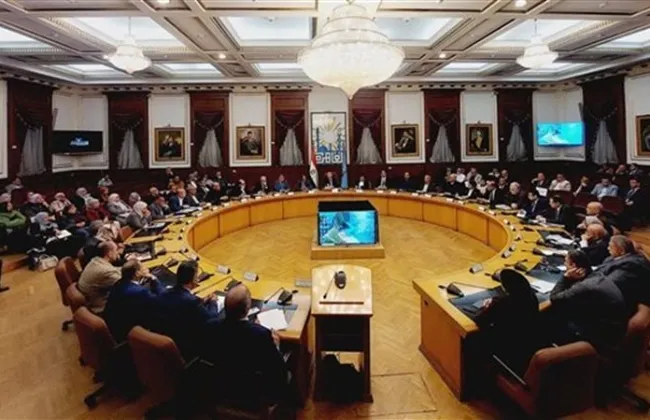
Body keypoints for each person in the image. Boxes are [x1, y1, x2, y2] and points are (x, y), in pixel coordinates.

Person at [202, 284, 290, 404]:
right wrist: (277, 345)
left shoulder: (211, 327)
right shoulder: (261, 334)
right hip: (254, 394)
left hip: (220, 387)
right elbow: (278, 370)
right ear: (248, 308)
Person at [549, 249, 629, 356]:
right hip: (613, 328)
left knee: (551, 317)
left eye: (566, 262)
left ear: (573, 266)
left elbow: (554, 298)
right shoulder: (597, 275)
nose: (564, 264)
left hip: (603, 338)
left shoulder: (585, 286)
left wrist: (565, 278)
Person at [475, 269, 545, 376]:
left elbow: (480, 320)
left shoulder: (503, 303)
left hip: (507, 347)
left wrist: (488, 306)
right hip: (527, 341)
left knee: (476, 338)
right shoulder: (531, 296)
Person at [151, 260, 220, 359]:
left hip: (164, 338)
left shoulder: (165, 293)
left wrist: (202, 302)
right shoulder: (192, 302)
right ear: (194, 280)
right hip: (184, 347)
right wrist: (213, 302)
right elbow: (211, 318)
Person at [103, 260, 163, 342]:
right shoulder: (139, 292)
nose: (146, 268)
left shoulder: (119, 283)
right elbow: (160, 300)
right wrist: (154, 279)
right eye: (143, 267)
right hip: (126, 332)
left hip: (113, 324)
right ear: (137, 273)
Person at [598, 235, 650, 308]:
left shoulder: (630, 265)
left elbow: (609, 283)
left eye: (610, 246)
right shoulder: (613, 257)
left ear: (621, 251)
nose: (608, 248)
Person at [77, 241, 122, 314]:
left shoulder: (95, 260)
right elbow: (126, 282)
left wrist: (127, 268)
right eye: (116, 250)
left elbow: (114, 270)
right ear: (109, 254)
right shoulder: (106, 271)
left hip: (91, 299)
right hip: (101, 307)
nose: (118, 253)